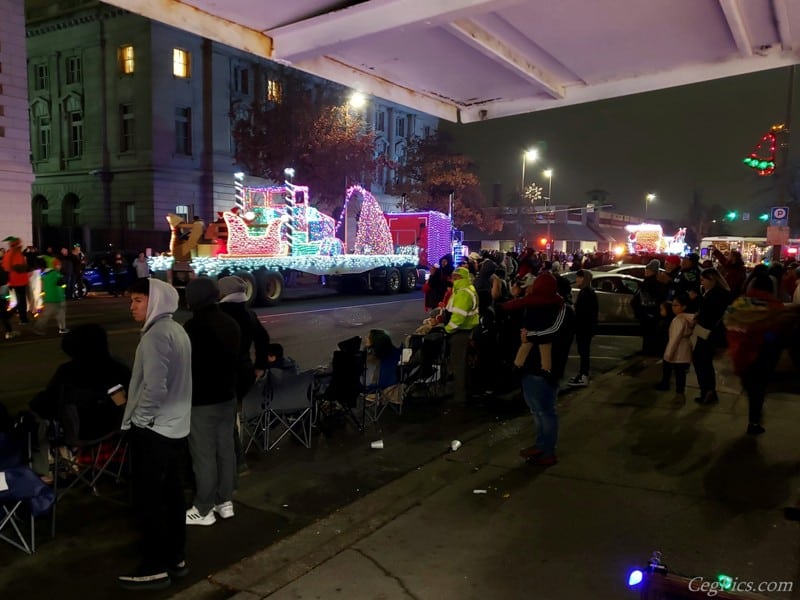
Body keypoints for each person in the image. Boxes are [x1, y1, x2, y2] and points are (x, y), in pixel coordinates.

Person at [117, 278, 192, 591]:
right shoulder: (176, 329)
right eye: (132, 300)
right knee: (172, 497)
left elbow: (155, 387)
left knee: (151, 501)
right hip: (176, 428)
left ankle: (154, 567)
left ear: (156, 301)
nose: (132, 306)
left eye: (138, 300)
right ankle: (175, 558)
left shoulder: (156, 336)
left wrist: (141, 421)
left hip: (156, 431)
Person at [29, 324, 131, 480]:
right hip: (112, 429)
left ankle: (48, 469)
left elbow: (43, 404)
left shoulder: (66, 372)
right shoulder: (117, 369)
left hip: (75, 433)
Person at [183, 277, 241, 527]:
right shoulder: (230, 323)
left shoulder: (193, 327)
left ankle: (203, 508)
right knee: (225, 450)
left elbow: (186, 367)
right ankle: (224, 501)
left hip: (202, 400)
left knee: (204, 455)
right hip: (227, 397)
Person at [724, 274, 800, 435]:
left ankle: (754, 416)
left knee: (751, 387)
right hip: (764, 355)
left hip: (741, 353)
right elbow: (779, 331)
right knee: (758, 388)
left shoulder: (739, 303)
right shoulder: (774, 306)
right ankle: (754, 420)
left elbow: (728, 323)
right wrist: (763, 336)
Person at [217, 275, 270, 476]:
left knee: (225, 418)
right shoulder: (249, 314)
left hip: (225, 374)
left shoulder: (219, 314)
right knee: (231, 414)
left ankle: (236, 462)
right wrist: (260, 366)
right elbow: (263, 339)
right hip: (245, 370)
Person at [518, 294, 575, 466]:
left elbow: (550, 333)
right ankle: (542, 445)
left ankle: (547, 450)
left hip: (544, 370)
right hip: (534, 368)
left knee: (545, 411)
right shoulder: (546, 312)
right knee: (538, 411)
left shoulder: (562, 313)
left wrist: (530, 335)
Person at [692, 268, 731, 405]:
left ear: (712, 279)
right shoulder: (724, 293)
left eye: (703, 280)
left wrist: (697, 304)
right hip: (714, 333)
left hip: (708, 332)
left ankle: (707, 391)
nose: (702, 283)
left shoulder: (715, 294)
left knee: (701, 361)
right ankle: (709, 391)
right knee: (704, 361)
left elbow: (708, 314)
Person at [444, 266, 480, 404]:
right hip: (465, 331)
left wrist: (447, 329)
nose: (453, 279)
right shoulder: (464, 289)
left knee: (459, 365)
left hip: (461, 332)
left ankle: (460, 397)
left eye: (456, 277)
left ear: (461, 278)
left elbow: (458, 317)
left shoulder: (463, 292)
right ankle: (464, 393)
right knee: (463, 365)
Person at [659, 293, 695, 407]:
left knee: (679, 374)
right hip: (685, 350)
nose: (673, 307)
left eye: (676, 305)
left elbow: (674, 339)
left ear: (683, 306)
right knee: (681, 374)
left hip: (679, 351)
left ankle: (679, 396)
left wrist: (668, 354)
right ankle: (680, 395)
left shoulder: (678, 320)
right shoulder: (688, 318)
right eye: (673, 305)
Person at [567, 269, 599, 387]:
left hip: (584, 327)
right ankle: (582, 374)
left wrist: (575, 309)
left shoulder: (587, 293)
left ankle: (584, 375)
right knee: (583, 351)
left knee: (584, 351)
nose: (577, 280)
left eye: (579, 277)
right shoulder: (586, 292)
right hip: (585, 327)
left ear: (584, 279)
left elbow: (584, 312)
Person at [632, 259, 668, 355]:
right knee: (648, 332)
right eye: (646, 270)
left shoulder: (652, 283)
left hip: (650, 312)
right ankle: (648, 349)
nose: (646, 272)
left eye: (648, 271)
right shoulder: (648, 282)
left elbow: (657, 298)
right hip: (648, 312)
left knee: (650, 333)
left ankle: (649, 350)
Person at [33, 256, 68, 336]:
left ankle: (62, 328)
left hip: (49, 298)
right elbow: (62, 284)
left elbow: (42, 287)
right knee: (55, 314)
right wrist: (63, 283)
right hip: (57, 297)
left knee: (50, 314)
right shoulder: (54, 273)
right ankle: (38, 328)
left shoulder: (43, 275)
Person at [2, 236, 31, 324]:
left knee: (21, 300)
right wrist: (26, 267)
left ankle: (22, 318)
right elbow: (17, 267)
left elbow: (6, 267)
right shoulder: (16, 253)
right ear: (16, 244)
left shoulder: (9, 253)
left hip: (14, 280)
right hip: (19, 280)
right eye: (19, 243)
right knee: (21, 301)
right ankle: (20, 318)